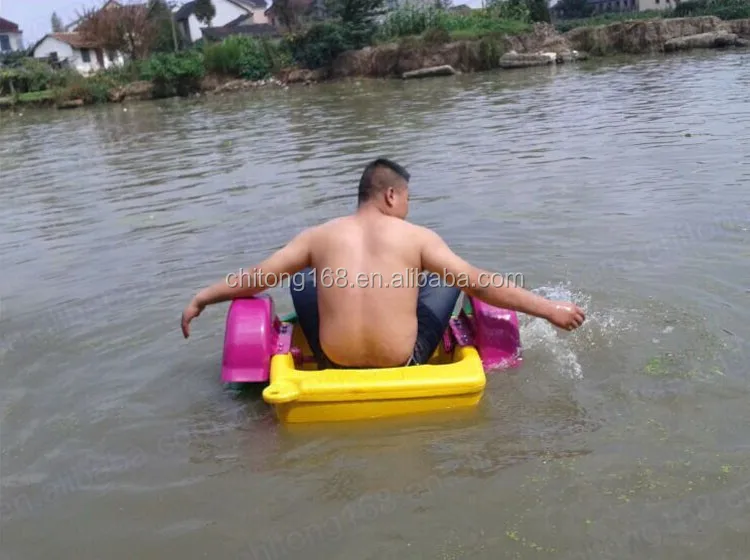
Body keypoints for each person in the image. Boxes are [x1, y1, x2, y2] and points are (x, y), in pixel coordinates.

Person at [180, 158, 586, 369]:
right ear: (391, 195)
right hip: (402, 360)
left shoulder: (317, 236)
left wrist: (203, 297)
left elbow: (255, 279)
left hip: (335, 359)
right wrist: (549, 309)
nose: (408, 207)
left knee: (303, 280)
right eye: (407, 198)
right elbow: (480, 284)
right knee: (449, 281)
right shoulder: (417, 237)